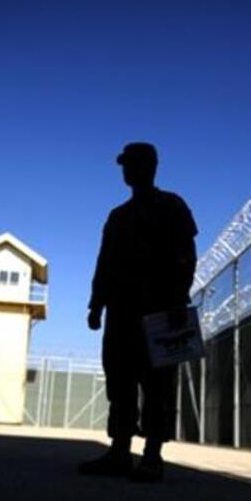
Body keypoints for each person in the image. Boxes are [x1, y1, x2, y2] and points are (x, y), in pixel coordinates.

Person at [79, 142, 197, 482]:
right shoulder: (118, 216)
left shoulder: (172, 206)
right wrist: (96, 304)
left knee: (156, 384)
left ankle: (152, 456)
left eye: (134, 164)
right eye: (125, 165)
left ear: (151, 166)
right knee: (120, 381)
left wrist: (178, 298)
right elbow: (105, 264)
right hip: (122, 310)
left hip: (159, 309)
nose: (128, 171)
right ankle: (119, 451)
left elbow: (187, 254)